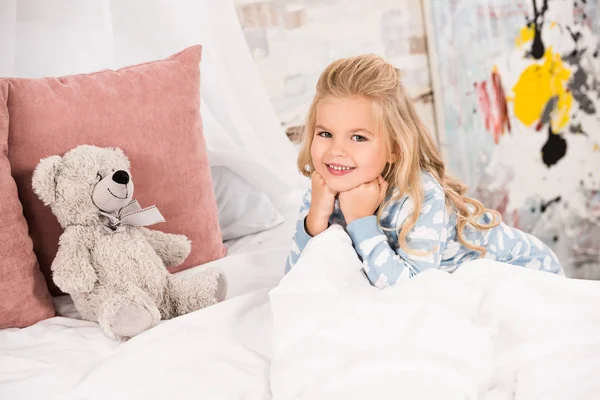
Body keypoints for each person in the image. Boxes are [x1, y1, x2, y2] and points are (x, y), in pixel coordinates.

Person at [285, 54, 564, 288]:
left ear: (395, 148)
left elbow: (411, 290)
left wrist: (361, 221)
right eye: (325, 133)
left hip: (521, 273)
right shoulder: (323, 188)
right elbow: (297, 280)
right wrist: (315, 220)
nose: (336, 150)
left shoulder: (418, 194)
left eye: (358, 138)